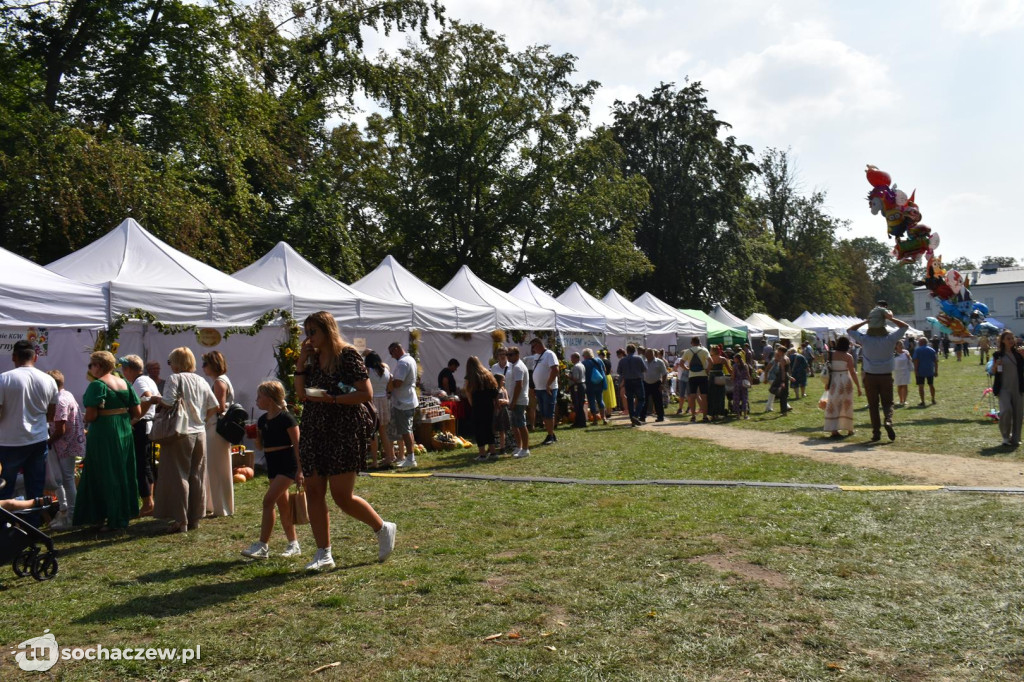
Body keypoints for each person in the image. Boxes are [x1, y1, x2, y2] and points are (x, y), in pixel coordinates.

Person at [296, 311, 395, 570]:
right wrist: (301, 362)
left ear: (327, 330)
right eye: (306, 333)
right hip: (314, 428)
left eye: (313, 332)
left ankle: (382, 528)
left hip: (343, 430)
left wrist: (333, 399)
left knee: (342, 496)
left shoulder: (347, 355)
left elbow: (365, 393)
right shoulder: (312, 359)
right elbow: (300, 394)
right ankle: (323, 553)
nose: (309, 338)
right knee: (314, 492)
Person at [150, 347, 220, 533]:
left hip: (180, 433)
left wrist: (154, 399)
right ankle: (195, 517)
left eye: (170, 361)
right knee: (196, 475)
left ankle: (181, 520)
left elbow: (168, 402)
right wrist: (201, 420)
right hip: (199, 433)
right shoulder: (201, 380)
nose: (170, 365)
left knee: (179, 475)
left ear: (177, 362)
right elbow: (215, 406)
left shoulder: (175, 378)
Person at [73, 351, 142, 530]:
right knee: (122, 471)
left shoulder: (97, 385)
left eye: (92, 365)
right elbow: (137, 412)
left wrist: (89, 418)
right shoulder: (125, 382)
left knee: (104, 472)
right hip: (124, 429)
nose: (91, 368)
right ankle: (122, 513)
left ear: (99, 366)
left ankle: (105, 516)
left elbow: (91, 415)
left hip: (104, 432)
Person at [242, 381, 303, 559]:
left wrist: (300, 470)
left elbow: (298, 445)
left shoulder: (286, 418)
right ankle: (293, 544)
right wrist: (254, 437)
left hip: (287, 464)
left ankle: (263, 545)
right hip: (272, 464)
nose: (256, 400)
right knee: (282, 505)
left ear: (269, 399)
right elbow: (261, 447)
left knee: (268, 501)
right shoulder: (262, 420)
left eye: (259, 396)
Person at [0, 340, 58, 525]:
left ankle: (4, 528)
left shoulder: (4, 379)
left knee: (4, 487)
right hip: (38, 439)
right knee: (35, 488)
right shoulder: (49, 380)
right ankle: (32, 527)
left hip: (9, 441)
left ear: (14, 357)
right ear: (35, 357)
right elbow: (51, 414)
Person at [848, 312, 909, 442]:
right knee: (888, 403)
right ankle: (888, 420)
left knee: (873, 406)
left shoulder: (865, 339)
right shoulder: (890, 339)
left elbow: (850, 330)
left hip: (870, 377)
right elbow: (905, 326)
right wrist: (891, 319)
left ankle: (876, 433)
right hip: (886, 376)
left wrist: (865, 321)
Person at [44, 370, 84, 530]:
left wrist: (47, 442)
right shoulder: (67, 394)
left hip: (65, 444)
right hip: (67, 443)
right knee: (62, 480)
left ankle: (72, 516)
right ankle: (65, 510)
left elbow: (60, 429)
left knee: (66, 480)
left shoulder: (60, 400)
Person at [119, 355, 158, 516]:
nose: (122, 372)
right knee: (145, 464)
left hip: (142, 427)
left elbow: (147, 397)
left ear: (128, 369)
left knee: (141, 465)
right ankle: (149, 501)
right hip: (146, 425)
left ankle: (148, 502)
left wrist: (135, 419)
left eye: (123, 369)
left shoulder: (141, 382)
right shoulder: (146, 379)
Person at [201, 350, 234, 517]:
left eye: (205, 364)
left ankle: (219, 507)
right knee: (218, 467)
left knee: (215, 467)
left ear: (212, 365)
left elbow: (219, 407)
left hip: (216, 427)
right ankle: (216, 505)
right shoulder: (221, 381)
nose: (203, 368)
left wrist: (202, 416)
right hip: (217, 427)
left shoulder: (219, 382)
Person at [388, 341, 419, 468]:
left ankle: (411, 459)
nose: (391, 356)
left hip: (403, 402)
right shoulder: (410, 359)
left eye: (391, 353)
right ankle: (410, 457)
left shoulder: (402, 363)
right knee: (408, 430)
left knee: (406, 431)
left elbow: (398, 383)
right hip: (408, 399)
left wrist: (390, 380)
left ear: (396, 349)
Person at [822, 337, 861, 438]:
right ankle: (849, 429)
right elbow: (852, 372)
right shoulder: (848, 356)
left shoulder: (830, 354)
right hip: (844, 380)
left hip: (833, 380)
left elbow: (828, 368)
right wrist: (858, 386)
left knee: (834, 403)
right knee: (847, 403)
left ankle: (834, 430)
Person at [993, 330, 1024, 448]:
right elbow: (993, 371)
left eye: (1012, 338)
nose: (1011, 341)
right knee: (1006, 410)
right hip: (1003, 388)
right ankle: (1005, 437)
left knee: (1018, 413)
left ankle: (1016, 438)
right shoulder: (997, 354)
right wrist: (996, 365)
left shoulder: (1019, 353)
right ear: (1003, 341)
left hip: (1018, 387)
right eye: (1008, 339)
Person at [464, 357, 499, 461]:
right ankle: (493, 452)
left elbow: (468, 393)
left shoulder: (470, 377)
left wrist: (472, 405)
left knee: (479, 430)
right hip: (489, 406)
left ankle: (482, 454)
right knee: (489, 429)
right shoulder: (488, 374)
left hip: (478, 406)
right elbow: (495, 391)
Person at [364, 351, 394, 469]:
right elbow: (390, 388)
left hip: (372, 401)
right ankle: (389, 458)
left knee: (373, 433)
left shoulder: (368, 371)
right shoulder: (386, 371)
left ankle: (375, 461)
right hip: (384, 400)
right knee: (383, 432)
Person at [530, 337, 560, 445]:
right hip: (539, 389)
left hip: (548, 388)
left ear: (539, 344)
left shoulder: (549, 354)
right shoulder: (536, 356)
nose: (533, 349)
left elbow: (555, 369)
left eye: (534, 346)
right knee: (543, 412)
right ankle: (550, 434)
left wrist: (548, 384)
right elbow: (535, 372)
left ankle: (551, 436)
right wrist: (534, 387)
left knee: (548, 412)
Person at [506, 347, 531, 458]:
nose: (508, 357)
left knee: (521, 424)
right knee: (515, 425)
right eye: (507, 354)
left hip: (519, 400)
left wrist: (514, 401)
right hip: (515, 400)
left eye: (510, 354)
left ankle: (525, 449)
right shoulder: (514, 366)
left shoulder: (518, 367)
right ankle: (519, 447)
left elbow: (519, 385)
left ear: (517, 355)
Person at [617, 344, 647, 426]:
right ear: (634, 351)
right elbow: (644, 369)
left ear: (627, 351)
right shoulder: (639, 358)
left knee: (630, 400)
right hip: (637, 380)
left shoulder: (622, 360)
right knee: (641, 399)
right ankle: (636, 415)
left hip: (628, 381)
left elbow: (619, 372)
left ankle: (632, 417)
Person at [682, 337, 710, 422]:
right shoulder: (704, 350)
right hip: (703, 375)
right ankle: (705, 416)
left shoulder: (688, 351)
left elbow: (681, 363)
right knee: (704, 396)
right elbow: (711, 362)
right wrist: (707, 370)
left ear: (692, 342)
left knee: (692, 396)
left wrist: (687, 369)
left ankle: (693, 416)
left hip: (692, 376)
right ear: (699, 342)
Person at [581, 348, 607, 426]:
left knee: (591, 401)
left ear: (585, 355)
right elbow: (604, 370)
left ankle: (595, 420)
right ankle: (604, 418)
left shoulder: (584, 363)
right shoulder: (599, 360)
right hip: (599, 383)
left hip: (589, 384)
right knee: (600, 400)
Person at [642, 348, 668, 422]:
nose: (647, 356)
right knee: (644, 401)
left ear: (652, 354)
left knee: (658, 401)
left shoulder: (659, 362)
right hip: (646, 383)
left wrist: (662, 384)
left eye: (648, 354)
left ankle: (660, 416)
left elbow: (664, 374)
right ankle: (642, 416)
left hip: (656, 383)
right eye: (646, 354)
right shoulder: (644, 362)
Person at [912, 337, 939, 406]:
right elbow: (935, 361)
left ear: (921, 343)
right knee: (931, 385)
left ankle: (923, 401)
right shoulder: (932, 350)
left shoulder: (918, 350)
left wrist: (916, 370)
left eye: (919, 342)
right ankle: (933, 399)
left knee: (921, 386)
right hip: (930, 370)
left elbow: (916, 361)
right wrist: (936, 371)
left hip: (920, 370)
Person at [706, 345, 730, 421]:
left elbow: (707, 370)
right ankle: (719, 412)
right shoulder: (723, 359)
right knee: (720, 395)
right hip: (720, 376)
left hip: (712, 376)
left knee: (712, 395)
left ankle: (712, 413)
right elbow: (729, 369)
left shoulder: (709, 359)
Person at [769, 345, 792, 415]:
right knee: (784, 395)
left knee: (773, 389)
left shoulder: (782, 360)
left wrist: (782, 381)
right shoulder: (787, 358)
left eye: (778, 350)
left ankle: (784, 410)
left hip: (781, 377)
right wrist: (789, 377)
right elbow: (788, 370)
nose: (777, 352)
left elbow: (782, 371)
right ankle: (784, 411)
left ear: (781, 351)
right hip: (785, 377)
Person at [568, 352, 588, 428]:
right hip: (582, 385)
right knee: (579, 404)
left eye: (572, 358)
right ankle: (579, 421)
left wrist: (568, 376)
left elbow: (576, 378)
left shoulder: (576, 367)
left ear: (576, 358)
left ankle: (581, 422)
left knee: (578, 405)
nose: (571, 360)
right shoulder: (582, 365)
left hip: (577, 386)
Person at [493, 373, 512, 452]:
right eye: (502, 380)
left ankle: (502, 447)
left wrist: (504, 401)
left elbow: (508, 400)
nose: (504, 382)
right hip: (495, 411)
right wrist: (497, 402)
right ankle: (491, 447)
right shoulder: (494, 390)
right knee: (493, 429)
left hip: (503, 411)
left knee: (502, 429)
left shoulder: (504, 390)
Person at [892, 340, 913, 407]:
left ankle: (904, 400)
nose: (901, 346)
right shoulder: (894, 354)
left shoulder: (906, 352)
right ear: (896, 346)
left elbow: (910, 360)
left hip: (905, 371)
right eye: (899, 345)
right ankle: (900, 400)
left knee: (905, 385)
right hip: (897, 371)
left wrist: (908, 357)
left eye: (902, 344)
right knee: (899, 386)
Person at [731, 351, 750, 419]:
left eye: (734, 358)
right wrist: (750, 382)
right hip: (744, 383)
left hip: (737, 383)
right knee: (744, 399)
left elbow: (733, 376)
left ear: (737, 359)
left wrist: (732, 380)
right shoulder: (745, 365)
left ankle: (738, 415)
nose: (733, 359)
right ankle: (745, 415)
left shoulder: (735, 366)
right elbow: (748, 375)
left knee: (737, 399)